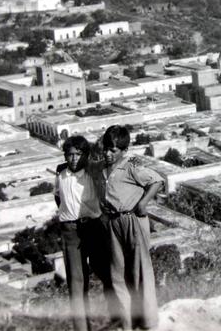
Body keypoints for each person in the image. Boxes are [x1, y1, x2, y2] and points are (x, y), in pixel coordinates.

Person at [97, 125, 163, 330]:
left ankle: (148, 323)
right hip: (113, 222)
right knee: (118, 272)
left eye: (113, 150)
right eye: (106, 148)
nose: (108, 153)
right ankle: (126, 323)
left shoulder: (132, 166)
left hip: (133, 220)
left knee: (139, 271)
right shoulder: (101, 169)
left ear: (124, 150)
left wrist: (143, 204)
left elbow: (157, 181)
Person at [54, 135, 109, 331]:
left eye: (78, 155)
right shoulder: (60, 174)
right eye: (70, 155)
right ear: (65, 156)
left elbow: (104, 157)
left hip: (93, 228)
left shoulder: (92, 173)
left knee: (106, 274)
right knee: (76, 285)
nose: (74, 159)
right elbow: (58, 198)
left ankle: (120, 321)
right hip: (70, 232)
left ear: (85, 155)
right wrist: (69, 216)